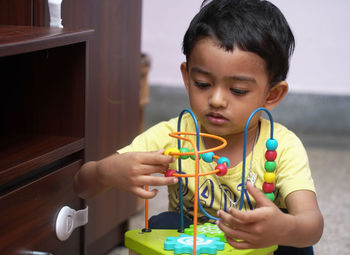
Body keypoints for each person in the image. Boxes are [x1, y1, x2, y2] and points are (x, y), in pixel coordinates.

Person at [74, 0, 323, 254]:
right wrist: (105, 172)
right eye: (203, 83)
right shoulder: (173, 135)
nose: (216, 100)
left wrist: (283, 228)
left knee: (296, 244)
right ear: (187, 76)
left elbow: (312, 224)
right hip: (191, 244)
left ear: (272, 95)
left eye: (238, 90)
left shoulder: (282, 146)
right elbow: (82, 185)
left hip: (258, 246)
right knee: (161, 225)